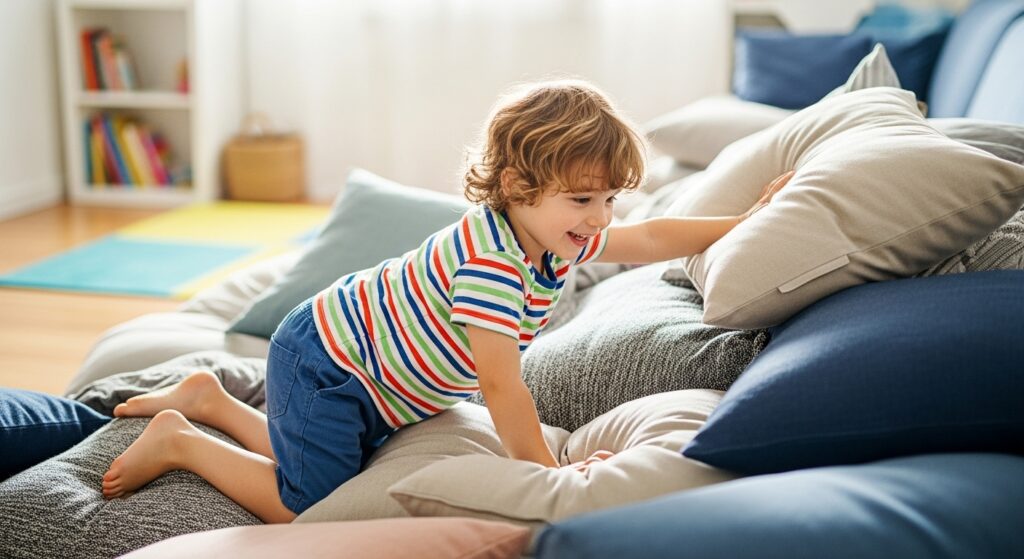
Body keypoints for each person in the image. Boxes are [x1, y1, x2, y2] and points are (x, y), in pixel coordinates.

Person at [101, 80, 792, 523]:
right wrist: (549, 476)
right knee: (307, 504)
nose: (601, 218)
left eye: (609, 197)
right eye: (584, 199)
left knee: (343, 460)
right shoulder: (491, 263)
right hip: (328, 364)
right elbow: (499, 382)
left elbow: (648, 236)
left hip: (378, 376)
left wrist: (743, 221)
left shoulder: (559, 235)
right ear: (519, 185)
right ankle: (182, 439)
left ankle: (211, 399)